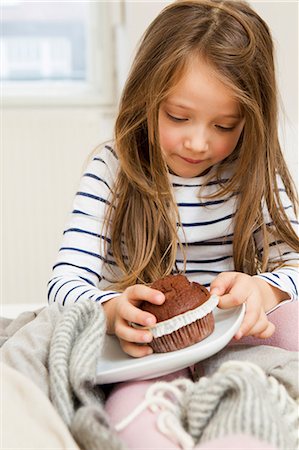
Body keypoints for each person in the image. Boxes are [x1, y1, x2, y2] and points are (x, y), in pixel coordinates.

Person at [48, 0, 299, 448]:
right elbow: (64, 283)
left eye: (225, 125)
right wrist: (110, 311)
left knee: (294, 320)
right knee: (128, 399)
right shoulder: (113, 170)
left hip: (235, 336)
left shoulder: (253, 172)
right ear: (147, 97)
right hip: (148, 351)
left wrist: (265, 290)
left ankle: (246, 421)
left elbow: (295, 265)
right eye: (178, 117)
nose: (199, 142)